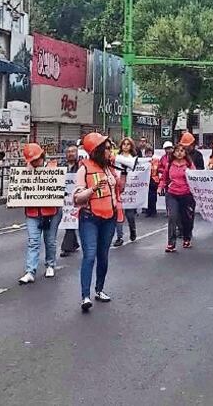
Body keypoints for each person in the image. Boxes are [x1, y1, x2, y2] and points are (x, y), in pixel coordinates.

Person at [72, 132, 120, 311]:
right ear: (98, 150)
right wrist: (93, 189)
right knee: (90, 255)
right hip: (90, 218)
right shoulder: (83, 169)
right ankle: (85, 296)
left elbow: (117, 191)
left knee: (104, 255)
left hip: (109, 218)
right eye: (107, 148)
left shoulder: (110, 168)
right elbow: (77, 198)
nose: (110, 151)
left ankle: (99, 289)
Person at [17, 143, 62, 284]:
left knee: (50, 241)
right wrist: (27, 174)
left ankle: (50, 265)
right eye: (32, 160)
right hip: (33, 212)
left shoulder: (52, 168)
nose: (36, 162)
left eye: (37, 159)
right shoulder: (25, 171)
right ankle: (30, 271)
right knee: (33, 241)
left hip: (51, 212)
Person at [160, 143, 196, 252]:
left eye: (182, 150)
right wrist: (160, 187)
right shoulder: (169, 165)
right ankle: (171, 243)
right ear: (173, 152)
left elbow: (196, 178)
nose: (179, 153)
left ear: (185, 153)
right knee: (172, 217)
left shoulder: (189, 164)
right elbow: (164, 178)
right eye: (177, 151)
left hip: (186, 194)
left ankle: (187, 238)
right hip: (172, 194)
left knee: (186, 218)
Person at [114, 137, 141, 245]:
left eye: (128, 144)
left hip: (130, 189)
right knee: (119, 214)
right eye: (124, 144)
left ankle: (132, 230)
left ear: (131, 146)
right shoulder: (116, 158)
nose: (125, 146)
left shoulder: (134, 159)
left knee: (130, 215)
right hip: (118, 187)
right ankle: (119, 237)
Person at [60, 145, 82, 257]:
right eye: (68, 151)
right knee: (68, 220)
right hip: (65, 199)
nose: (71, 154)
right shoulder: (61, 166)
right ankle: (73, 244)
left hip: (77, 198)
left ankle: (66, 247)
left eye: (73, 151)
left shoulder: (81, 167)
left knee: (70, 221)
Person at [147, 140, 173, 217]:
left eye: (169, 148)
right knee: (168, 196)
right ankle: (168, 211)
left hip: (174, 180)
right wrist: (165, 170)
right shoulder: (163, 158)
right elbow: (160, 167)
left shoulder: (175, 156)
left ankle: (174, 212)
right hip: (166, 180)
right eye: (166, 148)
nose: (168, 150)